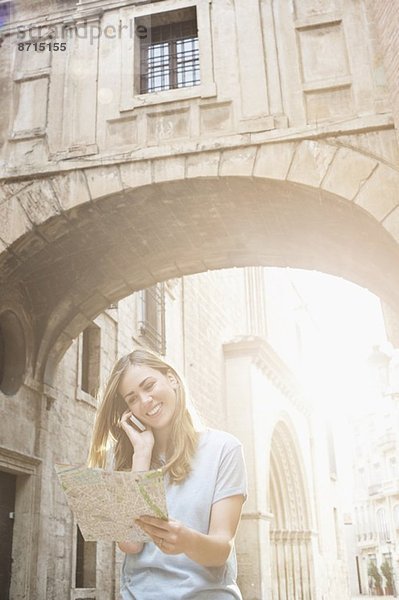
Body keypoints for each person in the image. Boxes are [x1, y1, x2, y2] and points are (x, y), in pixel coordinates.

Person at [88, 348, 247, 599]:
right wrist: (141, 452)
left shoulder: (224, 449)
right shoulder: (127, 461)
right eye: (132, 398)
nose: (145, 401)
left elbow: (221, 549)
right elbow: (130, 544)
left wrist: (187, 541)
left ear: (171, 378)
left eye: (149, 386)